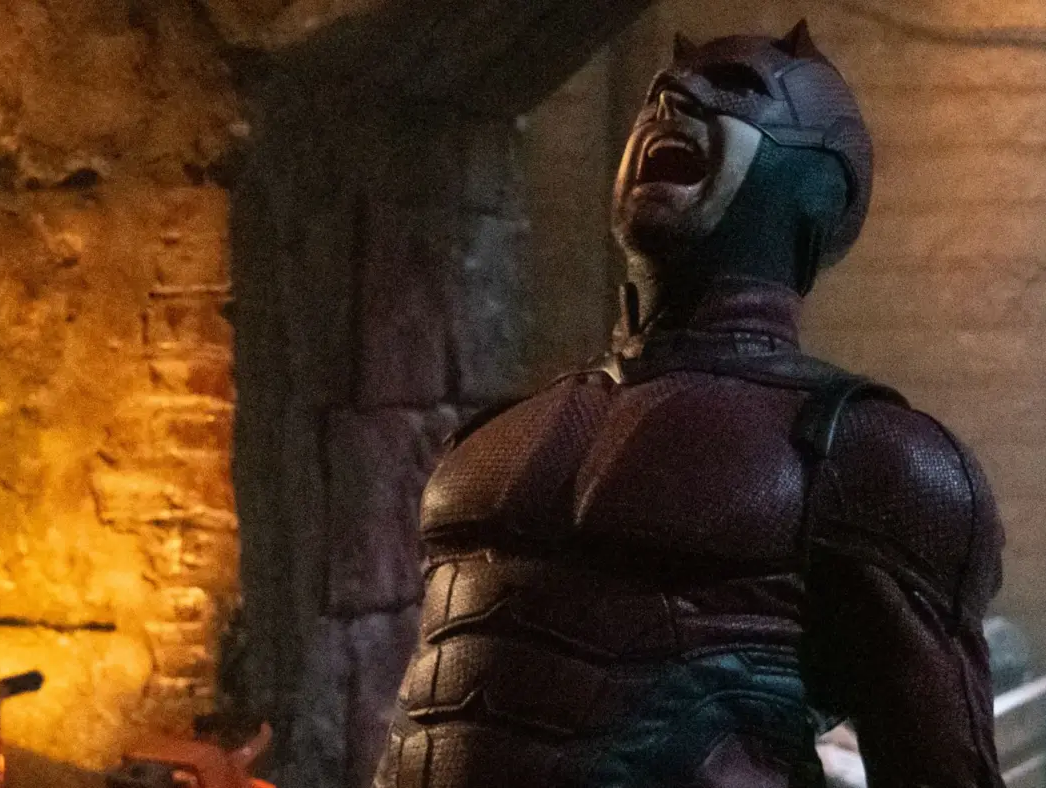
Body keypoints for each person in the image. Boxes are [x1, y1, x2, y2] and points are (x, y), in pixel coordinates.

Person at [377, 21, 1005, 788]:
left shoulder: (867, 454)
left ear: (816, 180)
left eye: (736, 88)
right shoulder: (497, 435)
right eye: (659, 94)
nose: (673, 100)